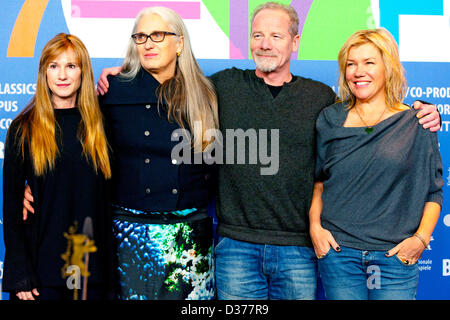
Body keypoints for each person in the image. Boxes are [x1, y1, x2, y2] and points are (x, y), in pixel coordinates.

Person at [95, 2, 441, 300]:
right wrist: (123, 74)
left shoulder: (320, 98)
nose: (265, 44)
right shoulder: (222, 86)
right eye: (258, 35)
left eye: (276, 36)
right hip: (235, 249)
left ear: (295, 41)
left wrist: (422, 111)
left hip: (298, 250)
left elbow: (369, 113)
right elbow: (171, 83)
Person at [309, 28, 443, 300]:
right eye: (351, 64)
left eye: (369, 62)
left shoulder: (418, 121)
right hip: (338, 255)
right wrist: (315, 229)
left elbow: (433, 191)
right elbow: (320, 182)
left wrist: (419, 240)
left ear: (387, 67)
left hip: (395, 258)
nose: (359, 71)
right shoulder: (330, 119)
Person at [2, 33, 114, 300]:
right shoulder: (24, 127)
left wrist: (121, 71)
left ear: (83, 72)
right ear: (44, 72)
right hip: (41, 275)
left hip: (94, 273)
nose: (62, 75)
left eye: (71, 66)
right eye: (54, 66)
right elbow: (11, 204)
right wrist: (20, 274)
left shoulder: (103, 124)